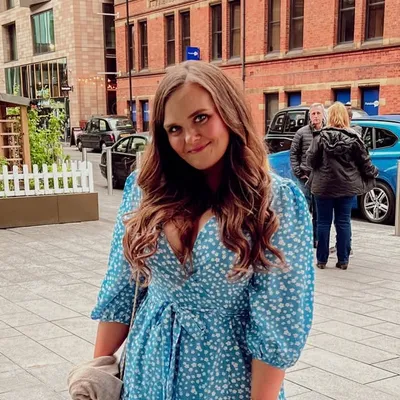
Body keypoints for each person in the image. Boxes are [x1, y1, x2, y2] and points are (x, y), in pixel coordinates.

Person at [91, 61, 314, 400]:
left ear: (229, 113)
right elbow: (122, 287)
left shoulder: (273, 201)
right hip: (147, 370)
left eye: (201, 118)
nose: (190, 138)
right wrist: (96, 377)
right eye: (174, 128)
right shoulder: (145, 189)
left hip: (227, 378)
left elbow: (277, 319)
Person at [306, 102, 377, 270]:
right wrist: (373, 172)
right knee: (343, 221)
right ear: (346, 117)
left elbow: (310, 161)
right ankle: (343, 260)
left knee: (323, 223)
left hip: (323, 186)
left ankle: (321, 260)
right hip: (346, 186)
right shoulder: (354, 138)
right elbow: (365, 162)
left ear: (329, 117)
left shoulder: (320, 137)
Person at [290, 103, 326, 247]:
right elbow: (293, 153)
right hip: (304, 178)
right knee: (303, 211)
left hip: (320, 179)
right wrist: (298, 172)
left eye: (318, 113)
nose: (315, 116)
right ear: (309, 116)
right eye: (313, 114)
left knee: (319, 213)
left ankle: (316, 240)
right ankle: (302, 239)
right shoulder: (301, 133)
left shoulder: (327, 132)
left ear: (323, 115)